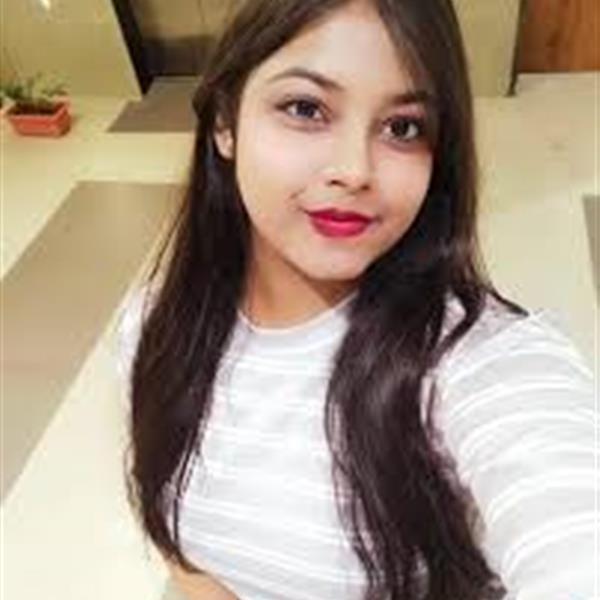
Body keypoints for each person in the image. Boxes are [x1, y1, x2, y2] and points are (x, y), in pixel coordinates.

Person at [118, 0, 595, 598]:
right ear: (225, 122)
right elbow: (181, 547)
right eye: (305, 109)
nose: (354, 170)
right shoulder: (156, 323)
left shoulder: (476, 361)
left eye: (403, 127)